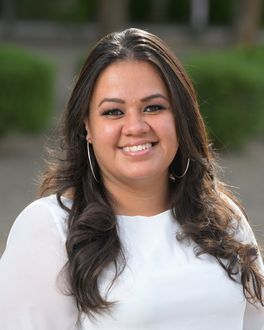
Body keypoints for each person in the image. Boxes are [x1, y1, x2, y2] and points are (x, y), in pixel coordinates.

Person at [0, 28, 263, 330]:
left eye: (153, 107)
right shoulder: (49, 228)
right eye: (113, 112)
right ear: (87, 127)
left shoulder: (222, 217)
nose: (135, 126)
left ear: (180, 116)